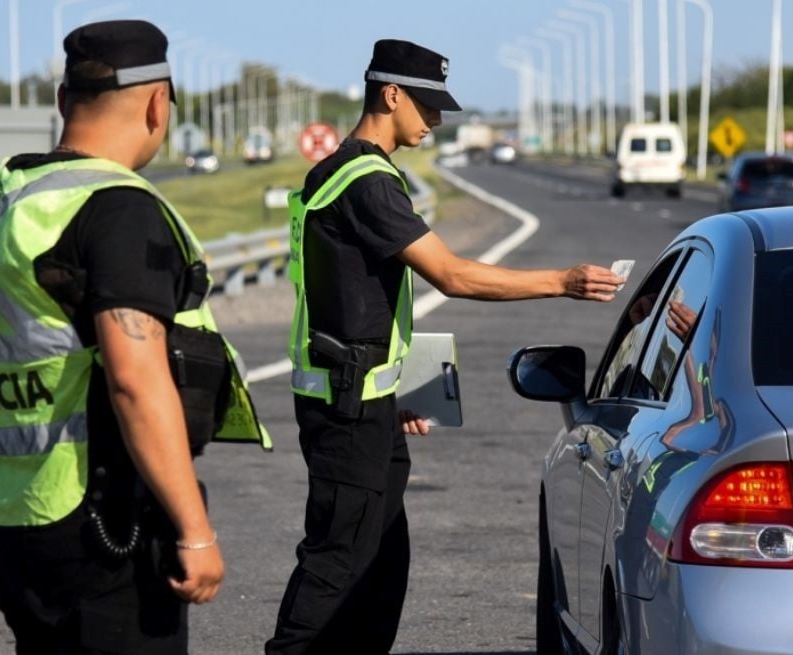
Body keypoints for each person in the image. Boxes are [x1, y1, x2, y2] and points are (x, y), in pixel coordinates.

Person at [267, 39, 625, 655]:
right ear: (392, 94)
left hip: (364, 398)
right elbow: (451, 276)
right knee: (337, 566)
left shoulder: (338, 172)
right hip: (348, 411)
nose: (435, 120)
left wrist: (397, 383)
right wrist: (561, 282)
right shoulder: (368, 181)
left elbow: (353, 297)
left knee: (379, 566)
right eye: (428, 106)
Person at [0, 20, 269, 654]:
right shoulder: (115, 206)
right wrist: (195, 530)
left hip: (11, 509)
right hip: (104, 516)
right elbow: (134, 379)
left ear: (64, 101)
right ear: (157, 102)